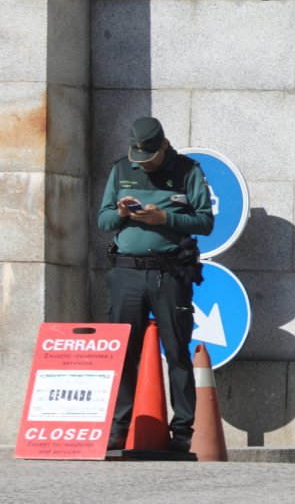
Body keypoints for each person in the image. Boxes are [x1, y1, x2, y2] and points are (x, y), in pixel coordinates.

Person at [97, 117, 214, 452]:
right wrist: (121, 212)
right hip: (126, 273)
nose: (143, 164)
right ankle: (119, 427)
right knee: (124, 353)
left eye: (149, 158)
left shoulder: (188, 171)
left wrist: (165, 218)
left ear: (163, 145)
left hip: (170, 273)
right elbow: (103, 220)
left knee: (177, 351)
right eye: (138, 158)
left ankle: (182, 431)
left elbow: (205, 222)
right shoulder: (121, 169)